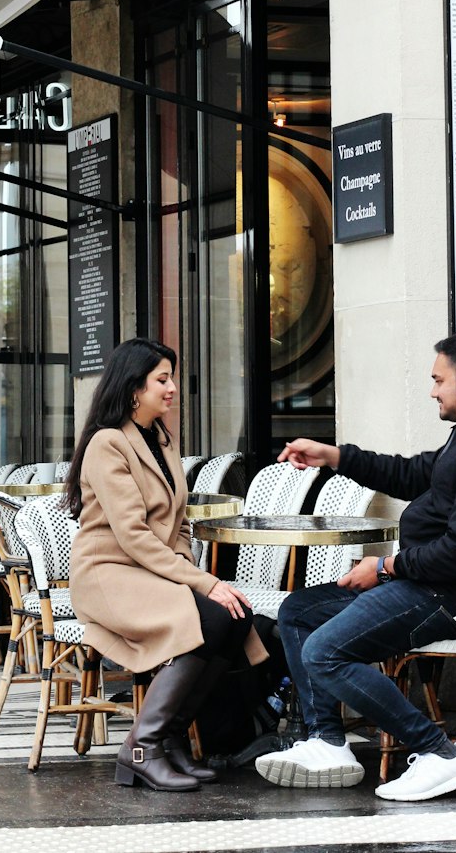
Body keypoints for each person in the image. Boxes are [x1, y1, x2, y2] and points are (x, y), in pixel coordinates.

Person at [255, 330, 456, 803]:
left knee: (324, 652)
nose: (432, 390)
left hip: (447, 597)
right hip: (423, 585)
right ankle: (328, 742)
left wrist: (387, 566)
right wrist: (334, 456)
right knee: (299, 612)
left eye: (438, 379)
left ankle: (439, 754)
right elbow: (410, 474)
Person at [67, 337, 266, 792]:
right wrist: (203, 583)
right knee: (210, 616)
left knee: (233, 618)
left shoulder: (160, 438)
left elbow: (176, 526)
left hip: (150, 570)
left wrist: (198, 581)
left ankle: (170, 738)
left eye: (171, 377)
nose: (173, 387)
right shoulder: (108, 444)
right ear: (134, 388)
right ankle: (141, 747)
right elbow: (132, 535)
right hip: (109, 573)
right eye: (163, 379)